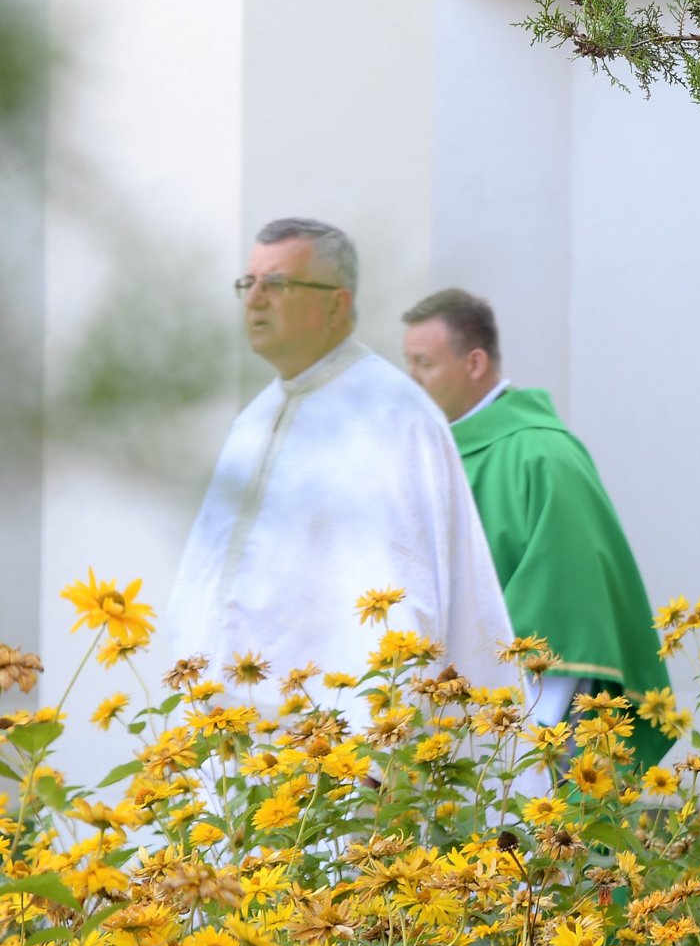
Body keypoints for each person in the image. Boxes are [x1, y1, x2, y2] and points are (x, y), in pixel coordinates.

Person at [169, 219, 521, 696]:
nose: (254, 300)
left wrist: (380, 721)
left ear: (337, 304)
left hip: (338, 725)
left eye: (276, 284)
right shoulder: (253, 422)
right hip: (234, 722)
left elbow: (402, 590)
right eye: (248, 283)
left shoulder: (393, 416)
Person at [401, 288, 673, 757]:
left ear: (474, 363)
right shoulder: (430, 454)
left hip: (517, 733)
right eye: (408, 364)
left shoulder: (541, 457)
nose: (411, 381)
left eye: (424, 364)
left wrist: (523, 740)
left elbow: (565, 608)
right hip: (436, 718)